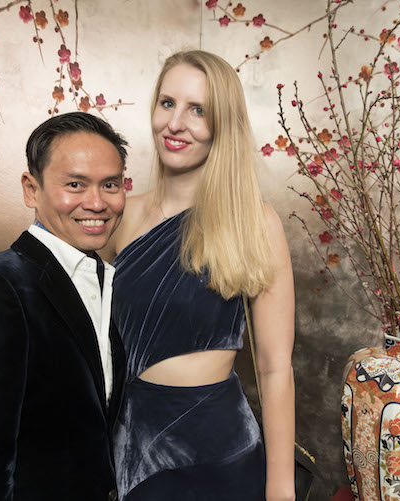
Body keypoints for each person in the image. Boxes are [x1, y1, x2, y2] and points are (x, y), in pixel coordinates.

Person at [102, 50, 296, 500]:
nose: (176, 123)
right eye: (168, 103)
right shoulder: (119, 217)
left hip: (222, 453)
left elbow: (274, 368)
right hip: (136, 449)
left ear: (222, 124)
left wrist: (281, 488)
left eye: (198, 110)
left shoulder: (254, 223)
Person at [0, 112, 129, 501]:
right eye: (75, 184)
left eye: (110, 184)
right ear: (32, 190)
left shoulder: (108, 281)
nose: (97, 202)